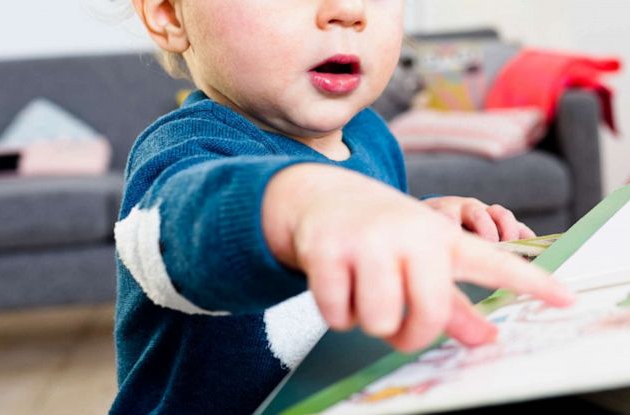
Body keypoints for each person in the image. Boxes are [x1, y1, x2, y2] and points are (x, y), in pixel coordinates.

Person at [112, 0, 576, 413]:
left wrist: (422, 219)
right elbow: (180, 230)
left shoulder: (371, 135)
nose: (349, 9)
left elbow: (363, 231)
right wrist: (300, 205)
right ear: (169, 14)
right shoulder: (184, 151)